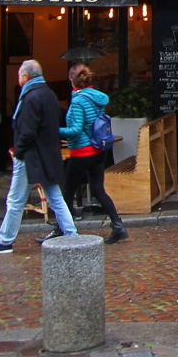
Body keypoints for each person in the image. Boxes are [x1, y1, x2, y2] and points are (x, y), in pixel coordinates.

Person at [0, 59, 77, 254]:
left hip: (31, 156)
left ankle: (5, 241)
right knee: (55, 197)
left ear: (25, 76)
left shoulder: (31, 97)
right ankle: (72, 234)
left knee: (15, 200)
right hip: (48, 153)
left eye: (19, 76)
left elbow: (27, 131)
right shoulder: (49, 94)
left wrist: (19, 152)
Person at [59, 63, 128, 245]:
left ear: (72, 82)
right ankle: (118, 225)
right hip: (99, 150)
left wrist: (55, 131)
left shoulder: (77, 102)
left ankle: (63, 228)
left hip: (82, 151)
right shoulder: (97, 98)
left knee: (67, 191)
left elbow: (74, 130)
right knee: (98, 190)